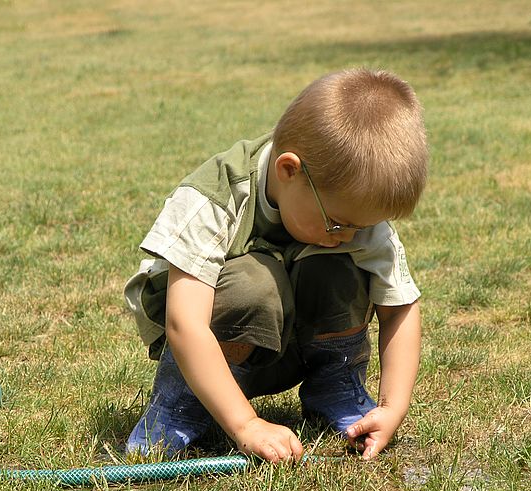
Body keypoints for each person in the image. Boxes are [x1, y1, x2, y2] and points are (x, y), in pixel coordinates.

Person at [123, 68, 428, 463]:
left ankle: (334, 386)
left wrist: (392, 407)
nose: (349, 235)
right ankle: (180, 407)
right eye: (339, 224)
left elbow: (400, 307)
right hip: (207, 355)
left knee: (341, 267)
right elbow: (186, 324)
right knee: (253, 282)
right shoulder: (215, 197)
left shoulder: (346, 206)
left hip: (294, 346)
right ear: (289, 171)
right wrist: (247, 425)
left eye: (363, 227)